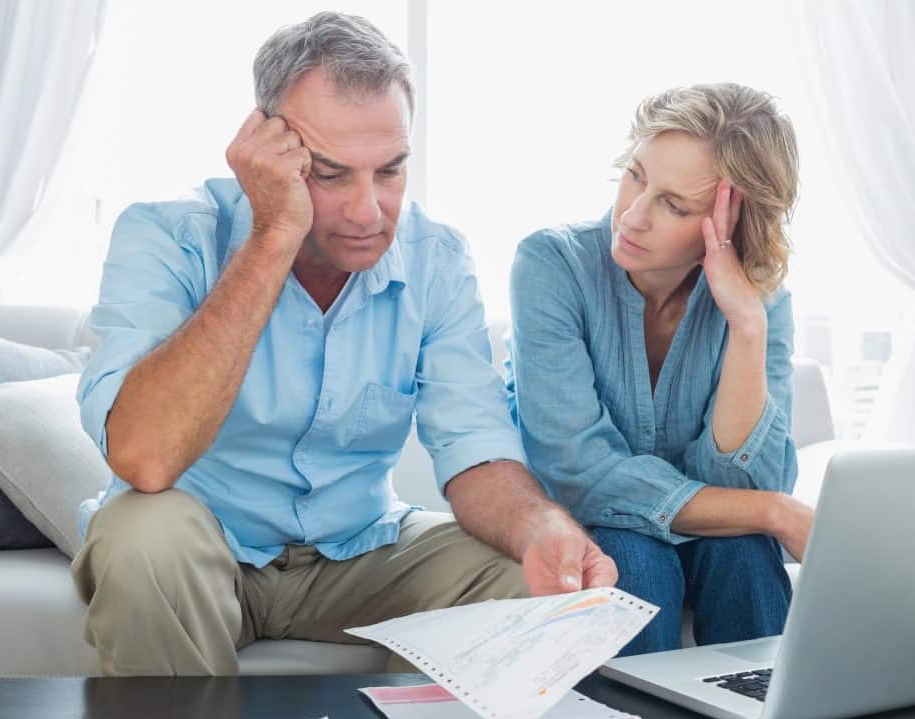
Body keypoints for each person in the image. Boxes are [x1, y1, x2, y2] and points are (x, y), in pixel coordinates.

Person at [70, 11, 616, 677]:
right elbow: (145, 458)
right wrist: (272, 234)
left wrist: (543, 530)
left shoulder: (436, 257)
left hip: (362, 549)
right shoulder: (166, 236)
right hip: (204, 547)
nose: (368, 212)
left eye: (389, 171)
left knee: (526, 582)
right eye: (330, 174)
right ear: (267, 150)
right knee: (139, 536)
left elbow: (474, 446)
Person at [505, 83, 814, 656]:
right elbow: (582, 475)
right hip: (589, 531)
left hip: (717, 537)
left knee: (745, 552)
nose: (633, 215)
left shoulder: (760, 301)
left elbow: (748, 482)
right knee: (634, 558)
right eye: (636, 175)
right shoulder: (552, 265)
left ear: (735, 223)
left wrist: (746, 326)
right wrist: (776, 512)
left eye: (674, 205)